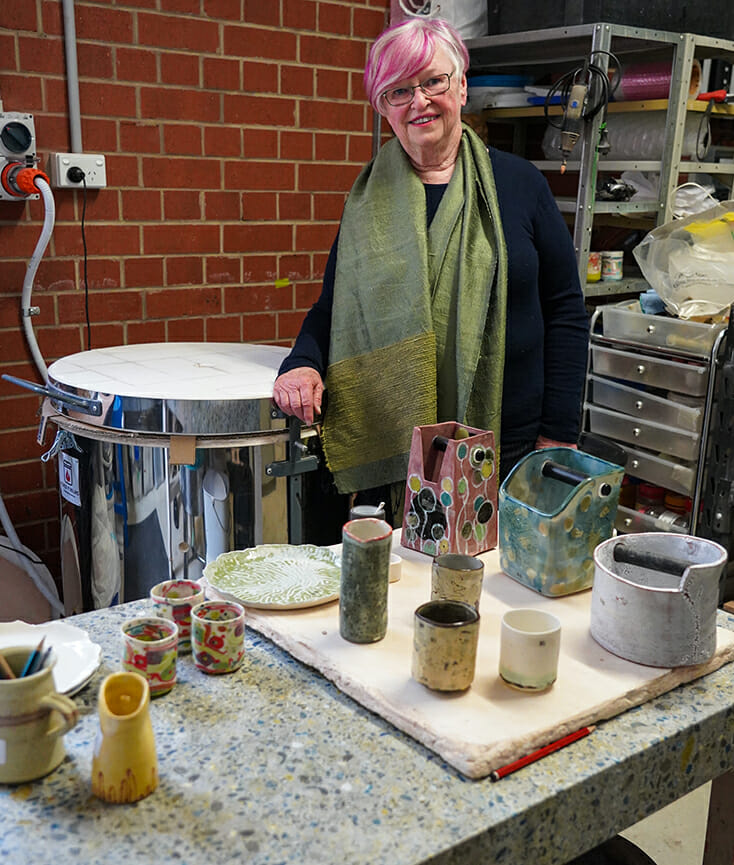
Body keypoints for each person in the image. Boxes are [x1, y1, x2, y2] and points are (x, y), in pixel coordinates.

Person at [273, 17, 589, 524]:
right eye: (399, 90)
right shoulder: (367, 205)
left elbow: (566, 311)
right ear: (383, 107)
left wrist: (559, 432)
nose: (418, 101)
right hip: (400, 445)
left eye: (432, 82)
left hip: (511, 443)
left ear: (461, 87)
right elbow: (334, 308)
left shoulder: (520, 184)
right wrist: (302, 362)